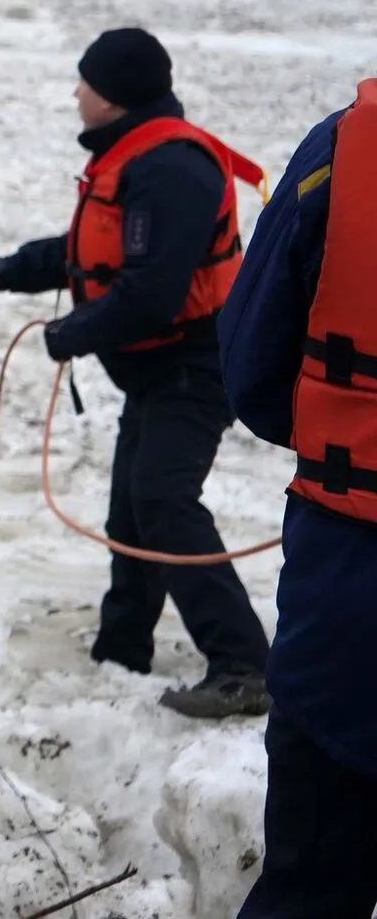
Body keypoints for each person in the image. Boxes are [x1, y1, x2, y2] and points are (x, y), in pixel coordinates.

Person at [0, 27, 272, 719]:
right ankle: (121, 656)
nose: (75, 92)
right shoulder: (134, 158)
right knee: (133, 509)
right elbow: (84, 253)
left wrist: (71, 334)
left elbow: (152, 290)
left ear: (113, 93)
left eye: (84, 81)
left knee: (162, 499)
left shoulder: (170, 169)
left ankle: (245, 664)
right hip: (156, 370)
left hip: (193, 365)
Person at [221, 79, 377, 917]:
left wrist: (346, 437)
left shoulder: (346, 150)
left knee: (315, 884)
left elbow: (252, 364)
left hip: (354, 592)